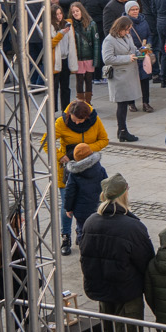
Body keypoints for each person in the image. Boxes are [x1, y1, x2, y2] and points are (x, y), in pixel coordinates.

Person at [77, 173, 153, 332]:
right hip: (126, 293)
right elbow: (146, 261)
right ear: (124, 195)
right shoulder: (132, 226)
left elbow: (85, 256)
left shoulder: (91, 221)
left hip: (102, 291)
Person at [53, 98, 109, 255]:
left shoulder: (95, 120)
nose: (76, 123)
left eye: (79, 121)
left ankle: (83, 233)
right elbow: (46, 141)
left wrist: (84, 150)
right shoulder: (61, 122)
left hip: (90, 170)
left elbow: (104, 139)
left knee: (88, 204)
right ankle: (66, 237)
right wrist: (60, 156)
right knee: (67, 205)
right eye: (73, 120)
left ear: (86, 118)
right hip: (67, 171)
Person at [101, 15, 146, 143]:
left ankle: (123, 130)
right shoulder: (109, 40)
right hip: (119, 76)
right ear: (119, 28)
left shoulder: (127, 36)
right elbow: (107, 59)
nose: (128, 32)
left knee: (125, 103)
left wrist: (141, 52)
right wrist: (127, 58)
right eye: (126, 29)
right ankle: (122, 131)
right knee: (121, 104)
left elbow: (132, 50)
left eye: (129, 29)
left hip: (129, 75)